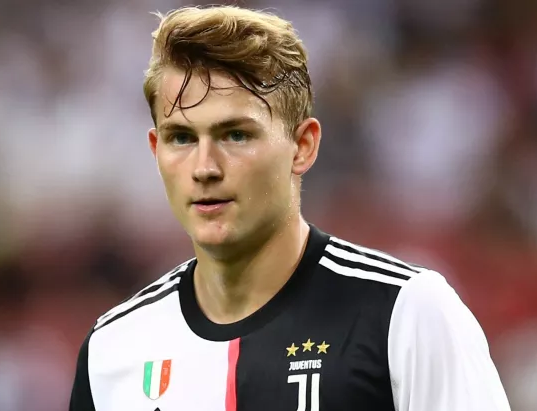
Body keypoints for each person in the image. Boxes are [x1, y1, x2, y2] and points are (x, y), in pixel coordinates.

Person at [69, 5, 511, 411]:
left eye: (236, 135)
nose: (204, 168)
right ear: (155, 150)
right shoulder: (113, 349)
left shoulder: (405, 313)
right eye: (181, 138)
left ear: (303, 146)